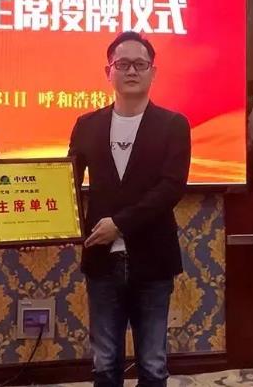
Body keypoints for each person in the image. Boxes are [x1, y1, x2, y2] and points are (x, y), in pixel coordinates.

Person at [67, 31, 191, 387]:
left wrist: (119, 224)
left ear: (153, 71)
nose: (131, 71)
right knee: (104, 364)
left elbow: (171, 188)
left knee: (152, 364)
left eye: (140, 64)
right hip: (101, 260)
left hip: (153, 259)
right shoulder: (87, 125)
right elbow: (65, 184)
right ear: (108, 71)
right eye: (122, 64)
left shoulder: (173, 125)